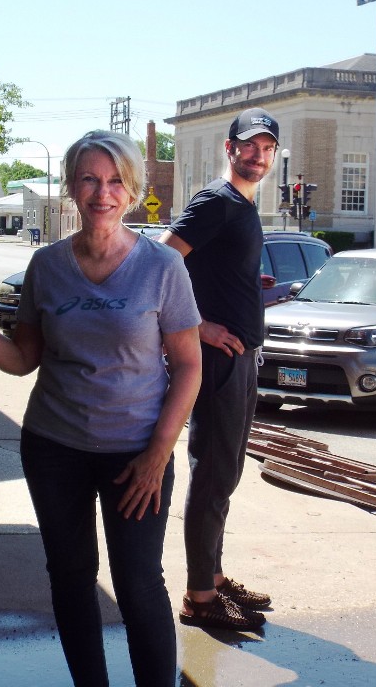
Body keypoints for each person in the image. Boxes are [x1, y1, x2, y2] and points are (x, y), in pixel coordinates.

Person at [0, 130, 202, 687]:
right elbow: (22, 358)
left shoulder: (162, 268)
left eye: (116, 181)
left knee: (138, 584)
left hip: (136, 454)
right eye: (89, 180)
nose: (103, 193)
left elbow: (189, 366)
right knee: (72, 578)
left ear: (132, 190)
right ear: (72, 188)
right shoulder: (46, 266)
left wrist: (158, 454)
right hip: (54, 449)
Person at [158, 107, 278, 631]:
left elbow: (211, 269)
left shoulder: (243, 206)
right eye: (249, 145)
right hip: (218, 360)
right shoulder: (216, 201)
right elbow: (162, 261)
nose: (258, 155)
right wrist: (199, 326)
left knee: (226, 471)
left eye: (267, 148)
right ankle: (200, 597)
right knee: (213, 472)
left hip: (242, 357)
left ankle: (214, 575)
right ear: (229, 149)